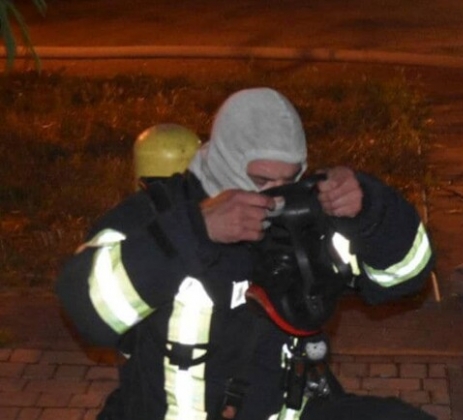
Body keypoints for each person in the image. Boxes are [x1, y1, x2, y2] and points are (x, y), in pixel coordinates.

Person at [56, 87, 435, 420]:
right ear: (225, 161)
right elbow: (87, 310)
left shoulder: (305, 213)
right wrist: (196, 231)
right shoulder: (157, 216)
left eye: (290, 178)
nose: (277, 195)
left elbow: (406, 276)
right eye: (262, 180)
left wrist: (370, 210)